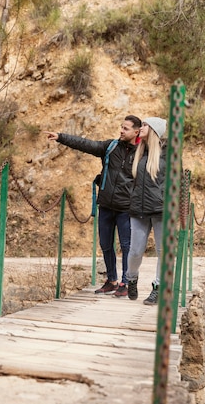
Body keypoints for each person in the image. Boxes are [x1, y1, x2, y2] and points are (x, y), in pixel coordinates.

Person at [44, 115, 142, 297]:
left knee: (127, 246)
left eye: (126, 128)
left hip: (126, 208)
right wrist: (61, 137)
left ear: (136, 132)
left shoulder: (141, 153)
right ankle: (112, 280)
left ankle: (126, 282)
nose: (121, 130)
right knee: (105, 244)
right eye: (121, 127)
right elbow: (86, 144)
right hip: (105, 205)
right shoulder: (110, 147)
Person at [125, 117, 167, 305]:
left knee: (162, 252)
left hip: (160, 211)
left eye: (144, 125)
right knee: (135, 251)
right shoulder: (138, 152)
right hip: (138, 210)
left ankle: (157, 288)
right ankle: (131, 278)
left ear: (154, 130)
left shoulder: (167, 155)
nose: (141, 128)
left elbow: (175, 183)